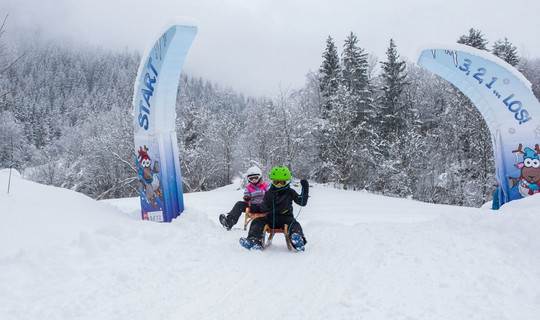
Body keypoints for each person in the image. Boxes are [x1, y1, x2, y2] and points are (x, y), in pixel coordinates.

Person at [239, 165, 309, 251]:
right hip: (271, 218)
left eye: (282, 182)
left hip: (286, 218)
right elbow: (263, 209)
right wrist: (268, 199)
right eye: (276, 182)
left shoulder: (290, 192)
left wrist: (305, 189)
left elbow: (302, 202)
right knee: (256, 221)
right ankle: (254, 241)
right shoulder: (269, 192)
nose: (279, 185)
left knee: (294, 224)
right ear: (273, 182)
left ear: (286, 182)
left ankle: (298, 240)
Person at [219, 166, 269, 230]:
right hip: (253, 207)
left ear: (260, 177)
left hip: (264, 207)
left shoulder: (266, 186)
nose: (253, 180)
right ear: (248, 179)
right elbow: (246, 195)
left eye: (256, 178)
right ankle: (229, 222)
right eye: (251, 179)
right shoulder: (248, 187)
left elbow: (271, 194)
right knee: (239, 204)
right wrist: (246, 198)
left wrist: (267, 197)